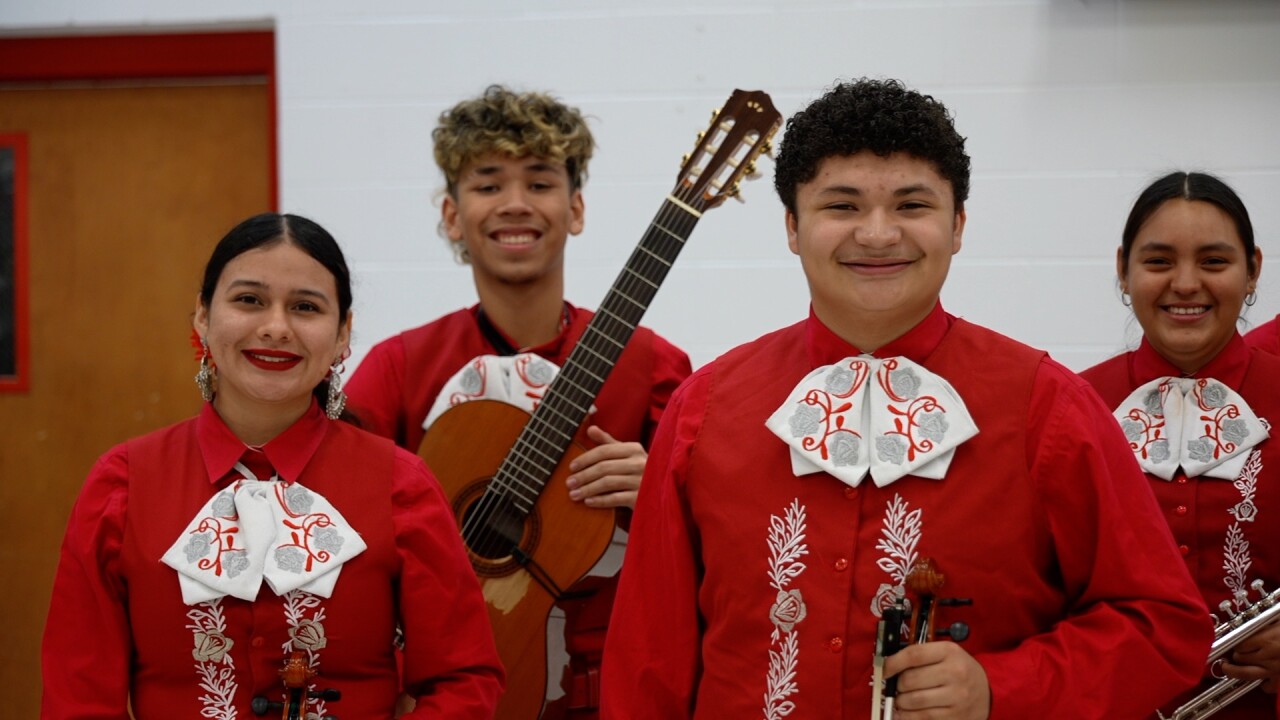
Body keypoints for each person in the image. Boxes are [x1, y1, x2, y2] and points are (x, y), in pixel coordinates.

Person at [600, 78, 1212, 719]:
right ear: (791, 226)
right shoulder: (703, 411)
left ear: (958, 226)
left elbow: (1163, 626)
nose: (877, 233)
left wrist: (1003, 688)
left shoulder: (1049, 407)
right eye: (841, 206)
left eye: (912, 205)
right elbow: (648, 665)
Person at [41, 213, 503, 718]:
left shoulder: (402, 484)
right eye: (249, 300)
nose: (276, 327)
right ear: (202, 316)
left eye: (305, 307)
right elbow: (77, 697)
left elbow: (464, 680)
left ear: (343, 332)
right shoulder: (123, 482)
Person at [344, 85, 691, 718]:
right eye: (487, 184)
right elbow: (339, 522)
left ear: (576, 207)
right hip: (444, 692)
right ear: (452, 214)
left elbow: (721, 537)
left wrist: (666, 491)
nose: (514, 204)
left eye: (539, 181)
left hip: (615, 691)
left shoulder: (653, 366)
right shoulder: (397, 369)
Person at [1081, 171, 1280, 718]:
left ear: (1253, 270)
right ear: (1123, 270)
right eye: (1159, 261)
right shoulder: (1067, 406)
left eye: (1214, 262)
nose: (1186, 284)